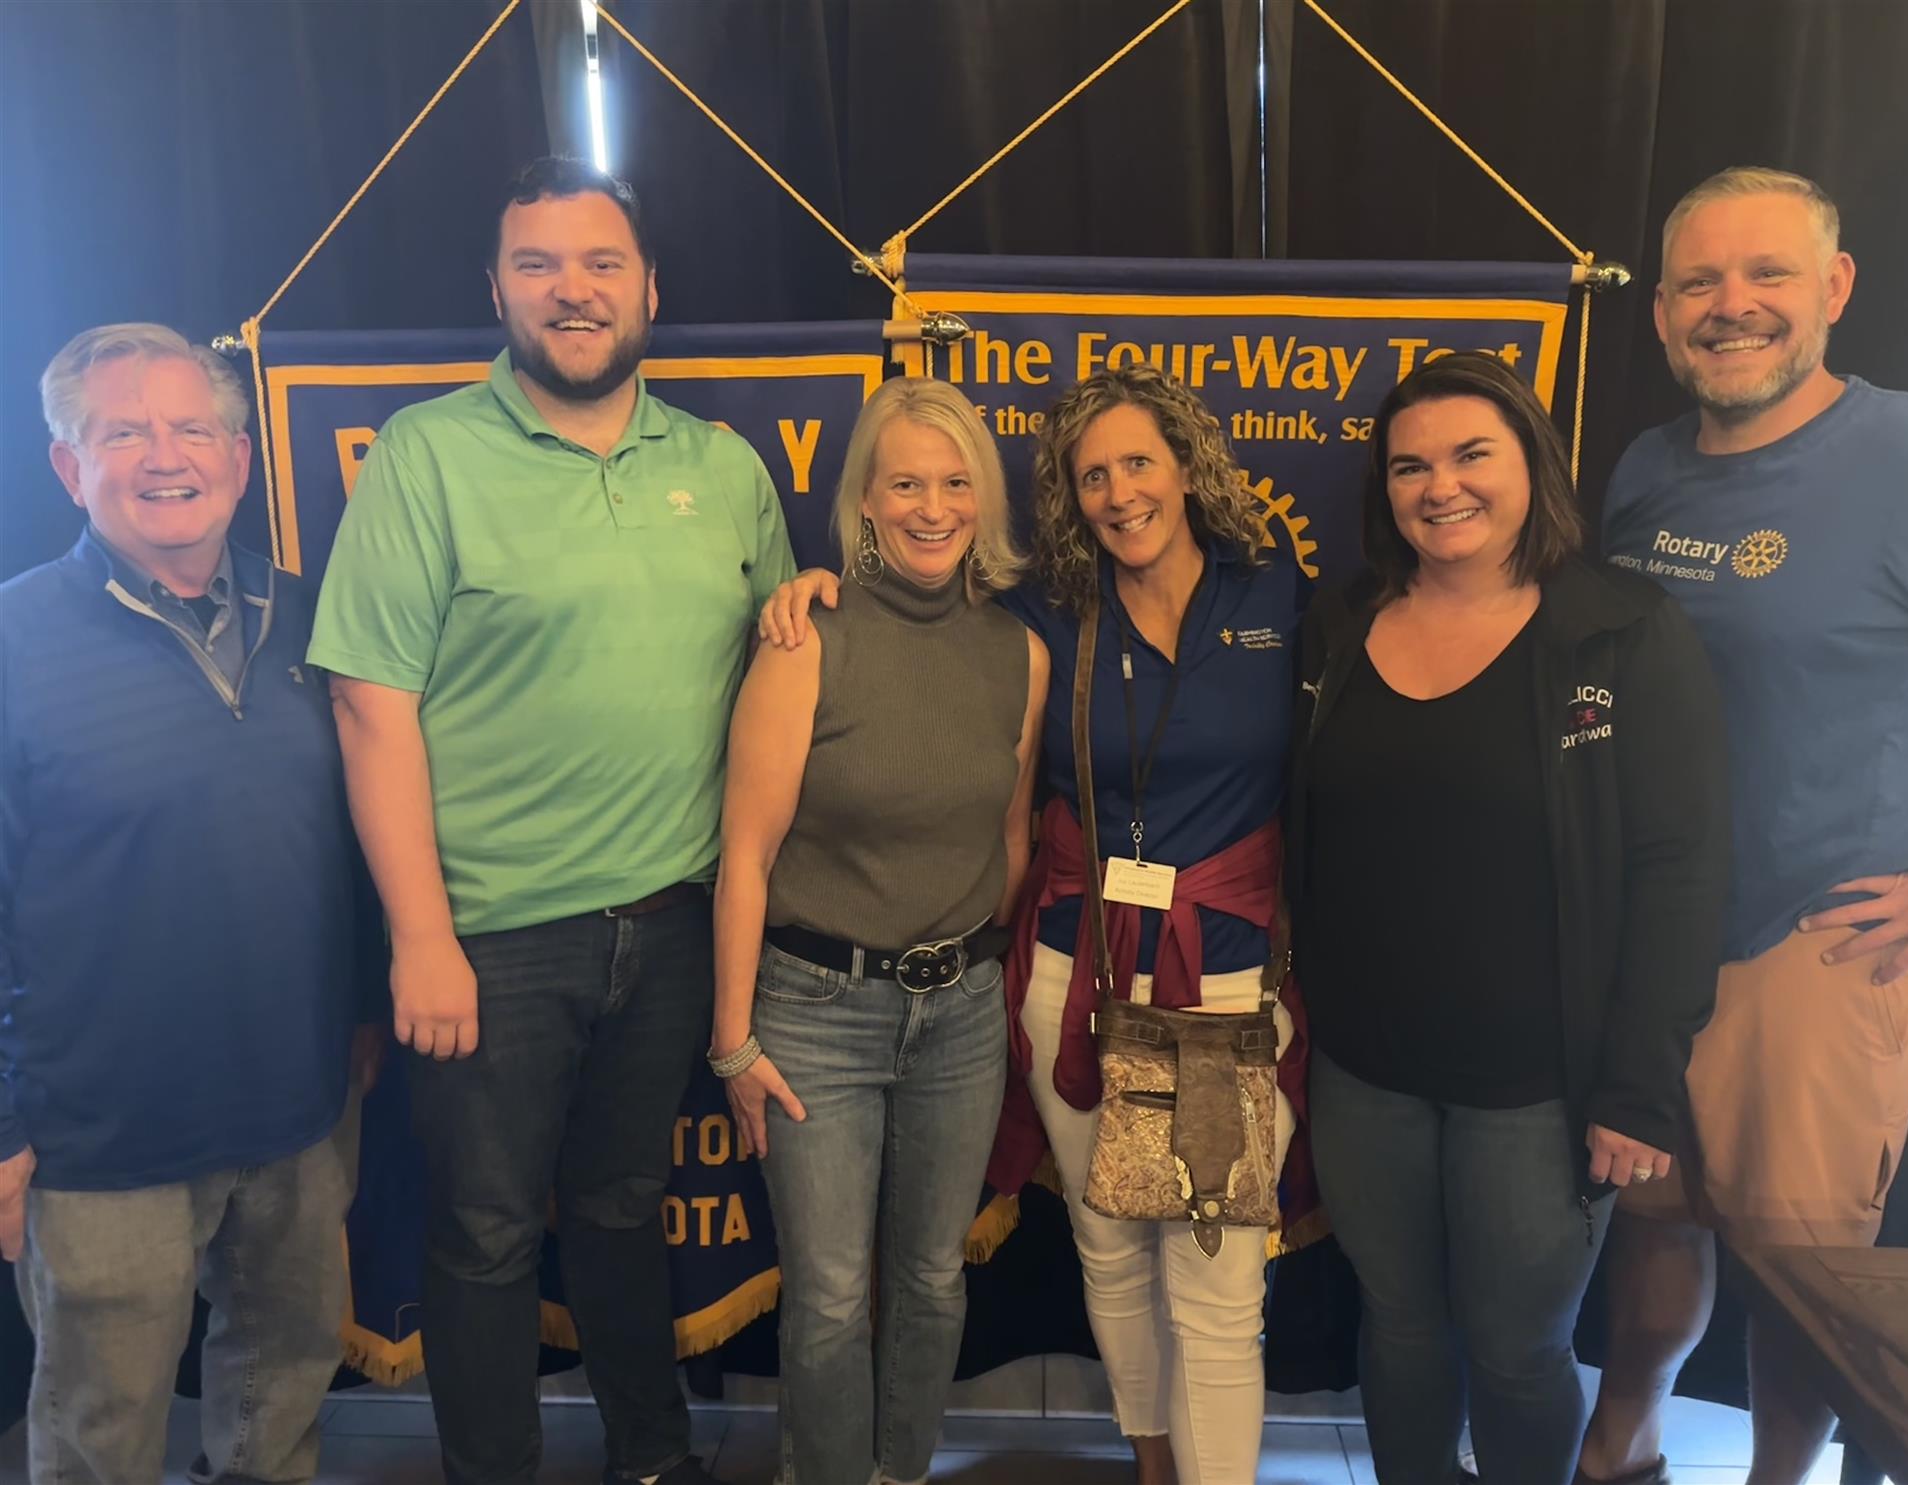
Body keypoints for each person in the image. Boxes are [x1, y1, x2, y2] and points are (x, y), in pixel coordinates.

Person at [307, 156, 795, 1485]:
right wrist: (421, 936)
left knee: (626, 1209)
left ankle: (654, 1457)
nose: (571, 291)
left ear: (649, 288)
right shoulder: (427, 454)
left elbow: (782, 667)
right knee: (484, 1234)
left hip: (674, 921)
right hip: (490, 937)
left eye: (598, 264)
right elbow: (369, 704)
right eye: (537, 265)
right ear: (497, 290)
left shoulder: (722, 467)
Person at [761, 364, 1312, 1485]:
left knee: (1214, 1277)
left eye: (1138, 462)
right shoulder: (1049, 611)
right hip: (1080, 975)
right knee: (1109, 1249)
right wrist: (816, 587)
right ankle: (1154, 1464)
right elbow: (920, 617)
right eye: (1092, 475)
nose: (1119, 493)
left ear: (1187, 466)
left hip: (1223, 983)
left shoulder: (1276, 598)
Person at [1579, 167, 1908, 1485]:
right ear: (1660, 311)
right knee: (1654, 1221)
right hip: (1657, 936)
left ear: (1836, 287)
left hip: (1820, 941)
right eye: (1699, 281)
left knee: (1801, 1275)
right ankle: (1620, 1451)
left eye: (1767, 275)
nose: (1731, 305)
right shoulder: (1648, 470)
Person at [1285, 350, 1727, 1485]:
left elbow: (1680, 872)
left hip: (1539, 1089)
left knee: (1520, 1350)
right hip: (1366, 1073)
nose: (1442, 486)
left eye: (1472, 454)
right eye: (1410, 467)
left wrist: (1637, 1086)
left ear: (1533, 461)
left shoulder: (1622, 631)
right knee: (1399, 1328)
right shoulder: (1340, 624)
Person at [0, 323, 382, 1484]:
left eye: (192, 429)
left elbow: (362, 840)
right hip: (101, 1135)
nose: (166, 457)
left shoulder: (321, 619)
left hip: (300, 1108)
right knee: (101, 1427)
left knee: (282, 1396)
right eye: (124, 433)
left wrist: (363, 1013)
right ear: (69, 466)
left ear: (240, 457)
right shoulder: (12, 642)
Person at [712, 376, 1047, 1485]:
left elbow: (1009, 841)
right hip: (816, 1014)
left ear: (983, 500)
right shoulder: (806, 637)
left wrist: (973, 970)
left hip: (960, 1014)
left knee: (933, 1281)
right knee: (829, 1297)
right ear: (864, 498)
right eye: (905, 483)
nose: (931, 507)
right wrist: (733, 1042)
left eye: (955, 483)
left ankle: (901, 1472)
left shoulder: (1020, 655)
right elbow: (746, 856)